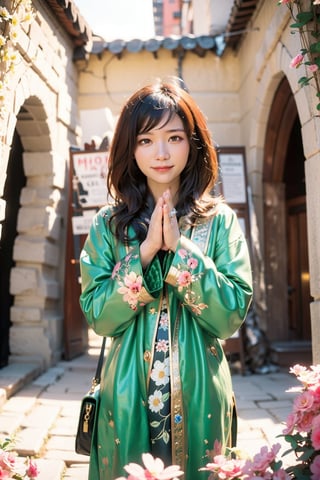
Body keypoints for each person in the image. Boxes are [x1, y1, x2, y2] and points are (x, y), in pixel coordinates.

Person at [79, 78, 253, 480]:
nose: (160, 153)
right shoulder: (109, 225)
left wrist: (181, 252)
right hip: (125, 395)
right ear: (130, 148)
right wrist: (144, 253)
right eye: (145, 140)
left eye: (174, 137)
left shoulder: (219, 222)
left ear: (192, 144)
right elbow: (99, 318)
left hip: (200, 396)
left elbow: (229, 317)